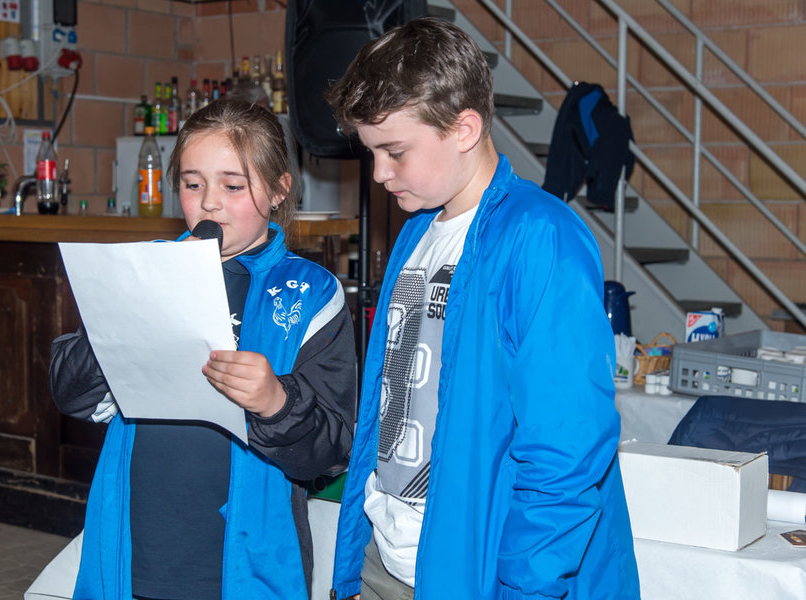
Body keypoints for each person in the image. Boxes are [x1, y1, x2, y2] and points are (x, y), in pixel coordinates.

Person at [326, 17, 640, 600]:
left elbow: (566, 451)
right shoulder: (416, 233)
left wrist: (524, 589)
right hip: (388, 555)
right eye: (372, 153)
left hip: (482, 571)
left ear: (464, 129)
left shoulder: (540, 236)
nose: (380, 173)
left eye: (395, 151)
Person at [49, 98, 357, 600]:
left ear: (279, 189)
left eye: (233, 186)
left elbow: (330, 452)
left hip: (246, 561)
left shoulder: (312, 294)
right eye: (193, 185)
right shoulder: (146, 269)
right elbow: (72, 395)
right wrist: (126, 311)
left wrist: (276, 402)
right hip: (140, 547)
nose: (210, 203)